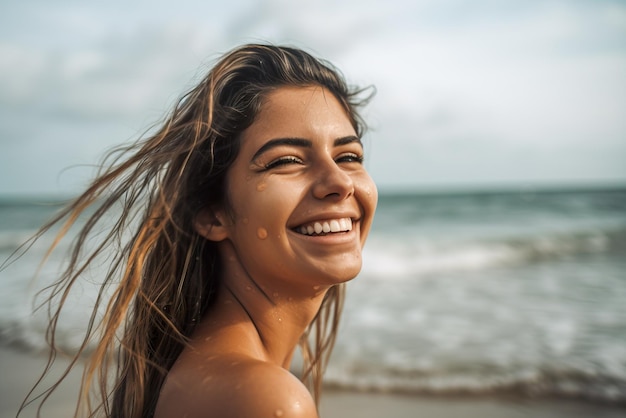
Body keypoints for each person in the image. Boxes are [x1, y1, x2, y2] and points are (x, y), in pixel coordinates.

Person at [20, 43, 377, 418]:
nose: (339, 181)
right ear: (212, 214)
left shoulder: (205, 371)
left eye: (348, 156)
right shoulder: (262, 398)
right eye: (286, 160)